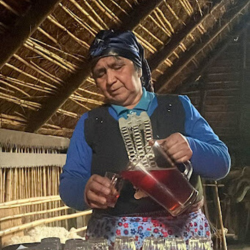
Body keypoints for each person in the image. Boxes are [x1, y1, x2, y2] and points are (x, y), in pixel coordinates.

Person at [59, 30, 231, 249]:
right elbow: (69, 183)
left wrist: (193, 148)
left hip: (183, 238)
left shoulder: (178, 107)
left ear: (138, 67)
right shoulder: (91, 123)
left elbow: (222, 163)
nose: (110, 80)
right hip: (116, 240)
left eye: (117, 66)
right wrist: (84, 190)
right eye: (100, 73)